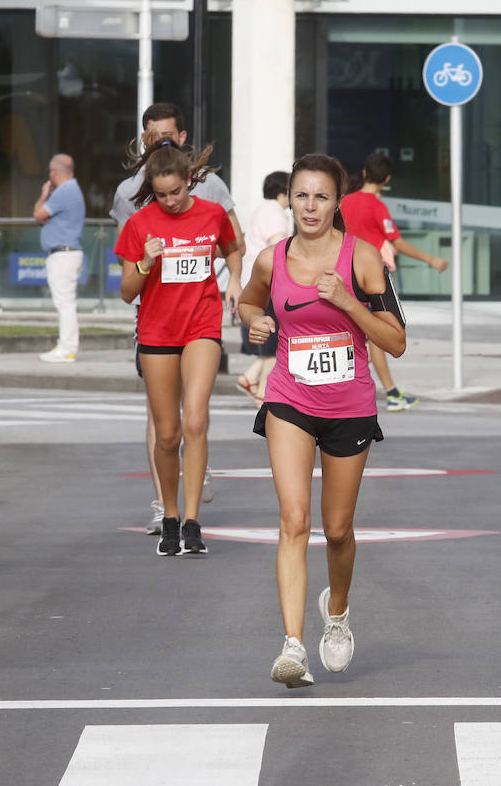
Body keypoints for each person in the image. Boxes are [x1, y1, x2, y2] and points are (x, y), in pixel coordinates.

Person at [238, 153, 408, 688]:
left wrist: (350, 305)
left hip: (349, 405)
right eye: (302, 196)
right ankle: (292, 647)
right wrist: (257, 321)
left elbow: (397, 342)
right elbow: (245, 304)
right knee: (293, 519)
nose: (310, 207)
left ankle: (336, 613)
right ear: (289, 199)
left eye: (322, 197)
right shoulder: (272, 259)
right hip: (289, 398)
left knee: (336, 530)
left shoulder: (362, 260)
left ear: (338, 202)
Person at [115, 138, 241, 556]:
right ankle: (168, 515)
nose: (170, 201)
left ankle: (192, 521)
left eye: (177, 191)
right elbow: (127, 293)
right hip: (157, 333)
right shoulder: (140, 224)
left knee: (197, 421)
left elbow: (233, 247)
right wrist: (145, 263)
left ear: (190, 181)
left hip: (202, 325)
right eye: (162, 194)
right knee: (167, 435)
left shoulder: (212, 213)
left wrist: (235, 282)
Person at [339, 153, 447, 411]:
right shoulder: (377, 207)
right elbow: (397, 242)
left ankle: (362, 391)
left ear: (364, 173)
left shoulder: (344, 202)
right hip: (374, 278)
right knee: (379, 334)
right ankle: (391, 392)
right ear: (386, 179)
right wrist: (430, 259)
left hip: (345, 274)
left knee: (349, 333)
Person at [236, 170, 291, 407]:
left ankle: (250, 379)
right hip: (269, 283)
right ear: (284, 192)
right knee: (275, 339)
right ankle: (262, 393)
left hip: (253, 281)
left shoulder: (260, 209)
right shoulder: (276, 213)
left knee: (271, 339)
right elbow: (278, 248)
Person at [34, 153, 86, 363]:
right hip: (67, 252)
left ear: (54, 172)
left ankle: (67, 348)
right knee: (66, 302)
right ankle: (65, 346)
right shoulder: (72, 189)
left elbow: (38, 214)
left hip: (63, 254)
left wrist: (44, 194)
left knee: (65, 303)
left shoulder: (64, 191)